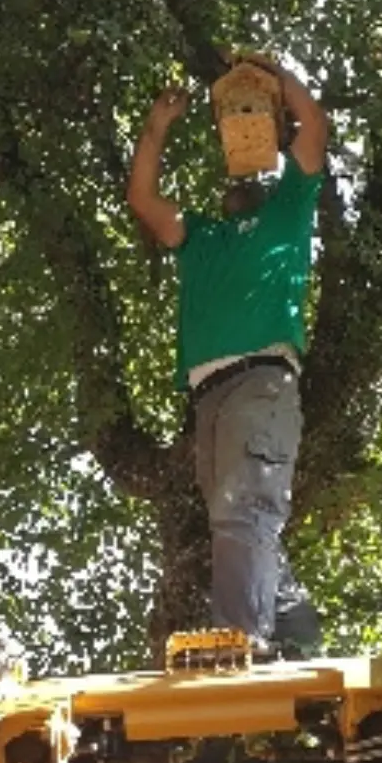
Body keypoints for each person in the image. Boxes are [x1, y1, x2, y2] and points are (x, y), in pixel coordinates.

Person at [127, 60, 327, 655]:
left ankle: (241, 642)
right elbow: (142, 197)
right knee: (235, 518)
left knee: (242, 510)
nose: (237, 182)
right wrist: (158, 124)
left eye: (250, 180)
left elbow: (313, 129)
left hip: (260, 382)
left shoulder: (286, 217)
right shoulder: (200, 237)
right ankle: (295, 630)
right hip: (210, 396)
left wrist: (274, 74)